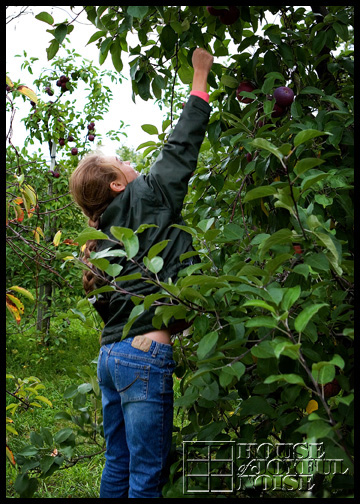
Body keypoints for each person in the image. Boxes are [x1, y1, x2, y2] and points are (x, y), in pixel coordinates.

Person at [69, 47, 214, 498]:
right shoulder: (148, 196)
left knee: (119, 463)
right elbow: (181, 146)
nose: (134, 165)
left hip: (110, 359)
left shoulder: (99, 243)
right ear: (117, 183)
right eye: (124, 163)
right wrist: (200, 74)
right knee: (147, 475)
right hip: (143, 355)